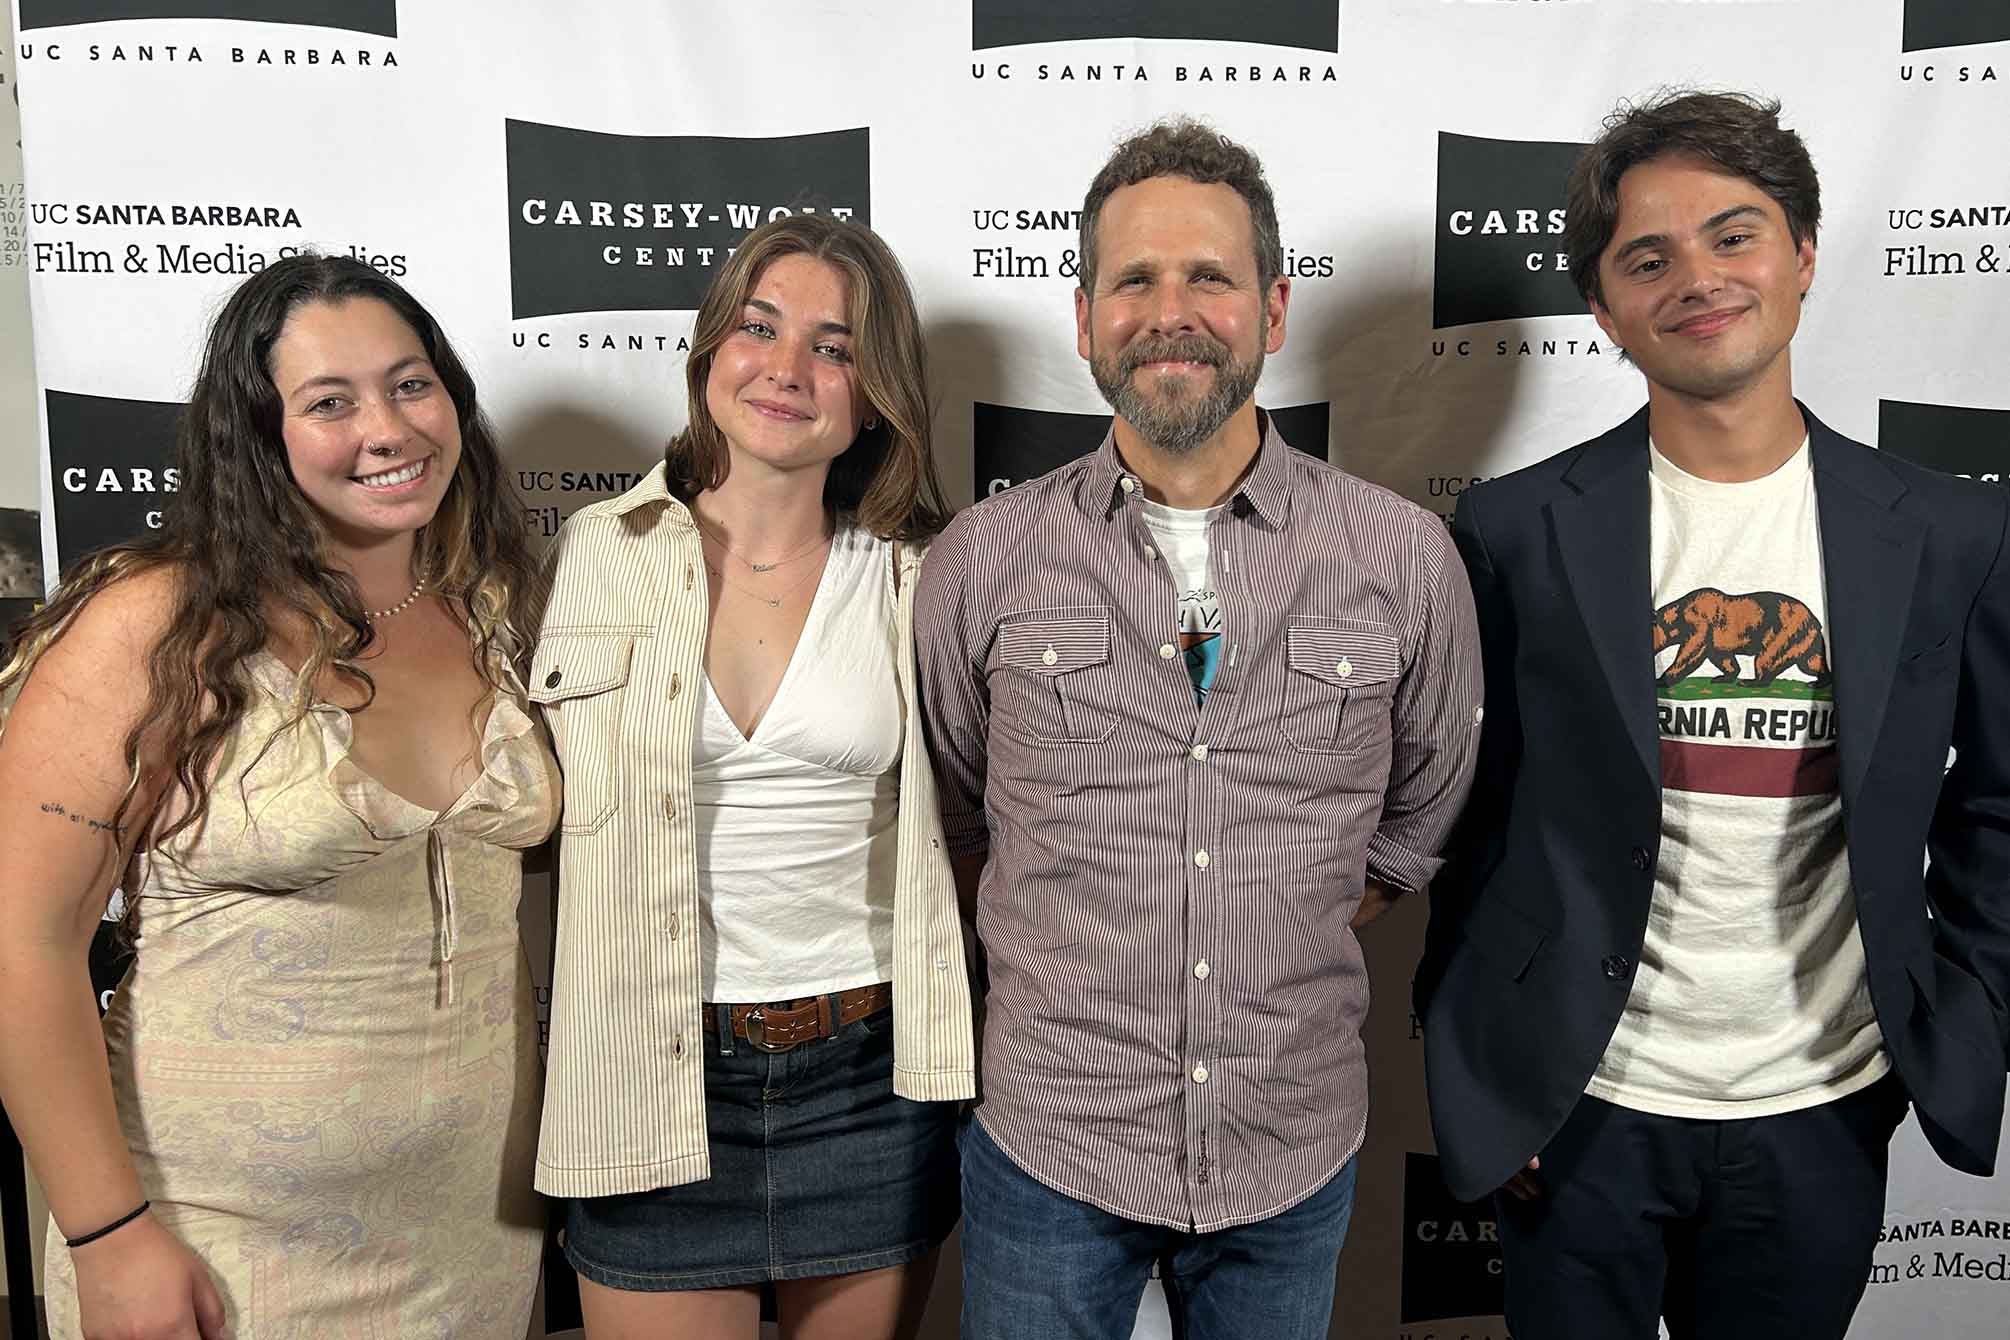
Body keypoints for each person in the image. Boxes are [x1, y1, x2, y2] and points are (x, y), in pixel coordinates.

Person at [1418, 90, 2010, 1339]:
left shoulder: (1952, 530)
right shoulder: (1517, 527)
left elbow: (1998, 808)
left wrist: (1965, 1013)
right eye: (1648, 258)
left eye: (1733, 236)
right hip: (1579, 1101)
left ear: (1803, 254)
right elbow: (1474, 817)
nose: (1697, 277)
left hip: (1825, 1100)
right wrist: (1490, 1068)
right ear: (1603, 309)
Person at [915, 119, 1484, 1340]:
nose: (1170, 313)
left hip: (1291, 1138)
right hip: (1052, 1136)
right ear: (1085, 318)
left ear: (1273, 307)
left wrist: (1291, 908)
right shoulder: (982, 559)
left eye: (1209, 277)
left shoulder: (1402, 557)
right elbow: (960, 807)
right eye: (1134, 280)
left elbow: (1420, 809)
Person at [0, 253, 556, 1338]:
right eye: (330, 402)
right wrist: (109, 1235)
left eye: (410, 384)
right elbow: (23, 940)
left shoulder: (494, 609)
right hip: (213, 1242)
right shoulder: (155, 624)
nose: (387, 430)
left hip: (471, 1231)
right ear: (261, 435)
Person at [531, 214, 975, 1340]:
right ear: (708, 352)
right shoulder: (593, 552)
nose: (786, 369)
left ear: (873, 395)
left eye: (833, 347)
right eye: (759, 327)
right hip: (641, 1072)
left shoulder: (922, 574)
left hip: (867, 1081)